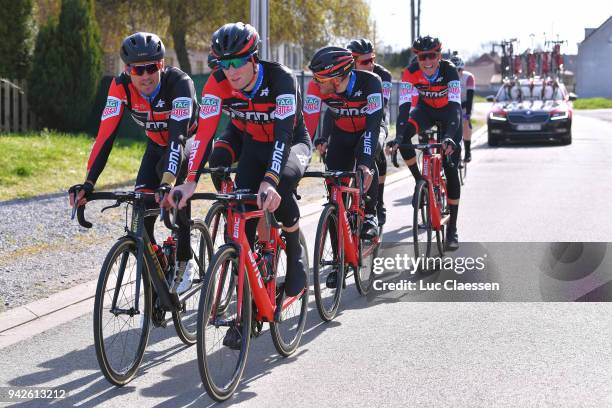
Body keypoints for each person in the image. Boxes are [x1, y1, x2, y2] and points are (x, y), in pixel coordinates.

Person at [166, 23, 311, 318]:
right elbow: (204, 134)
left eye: (237, 62)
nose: (230, 71)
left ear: (253, 58)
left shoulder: (281, 78)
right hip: (254, 146)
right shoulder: (217, 83)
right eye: (223, 63)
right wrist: (189, 181)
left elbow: (284, 134)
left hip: (292, 144)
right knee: (240, 222)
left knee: (279, 186)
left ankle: (295, 255)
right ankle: (246, 295)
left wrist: (270, 180)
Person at [69, 32, 199, 293]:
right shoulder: (120, 86)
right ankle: (160, 267)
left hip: (185, 141)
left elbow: (177, 138)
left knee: (174, 195)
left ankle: (185, 258)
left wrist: (167, 183)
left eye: (151, 67)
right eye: (137, 70)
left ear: (161, 64)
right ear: (127, 69)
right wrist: (88, 183)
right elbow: (105, 136)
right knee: (141, 209)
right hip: (155, 144)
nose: (145, 75)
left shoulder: (180, 83)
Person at [386, 36, 462, 250]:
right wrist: (399, 137)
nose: (428, 61)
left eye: (433, 56)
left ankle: (453, 228)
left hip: (449, 114)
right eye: (422, 57)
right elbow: (404, 108)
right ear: (417, 57)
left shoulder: (449, 71)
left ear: (440, 55)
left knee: (451, 167)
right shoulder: (410, 72)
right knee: (404, 137)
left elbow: (456, 108)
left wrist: (449, 136)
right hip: (426, 111)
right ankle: (421, 182)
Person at [304, 46, 384, 244]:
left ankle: (370, 214)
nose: (315, 82)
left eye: (320, 78)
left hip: (369, 130)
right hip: (342, 133)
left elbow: (373, 126)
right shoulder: (316, 87)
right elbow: (307, 127)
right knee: (333, 190)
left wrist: (365, 163)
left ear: (337, 79)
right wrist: (298, 164)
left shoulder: (372, 82)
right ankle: (337, 260)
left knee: (367, 160)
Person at [345, 38, 392, 226]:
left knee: (373, 152)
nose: (371, 65)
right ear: (353, 61)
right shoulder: (344, 75)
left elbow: (383, 105)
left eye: (372, 59)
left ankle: (377, 203)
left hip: (377, 119)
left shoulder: (383, 75)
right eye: (365, 62)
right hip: (352, 122)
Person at [450, 55, 475, 162]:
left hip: (465, 105)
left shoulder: (468, 77)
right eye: (453, 70)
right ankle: (456, 153)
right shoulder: (447, 77)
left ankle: (468, 151)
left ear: (462, 69)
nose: (456, 72)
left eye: (459, 70)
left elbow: (470, 98)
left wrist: (468, 115)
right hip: (451, 105)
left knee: (465, 125)